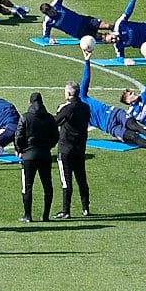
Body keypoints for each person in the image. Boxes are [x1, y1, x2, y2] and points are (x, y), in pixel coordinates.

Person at [15, 91, 58, 223]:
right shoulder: (50, 118)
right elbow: (55, 137)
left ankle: (28, 215)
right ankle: (45, 215)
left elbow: (18, 137)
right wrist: (47, 147)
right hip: (45, 155)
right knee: (47, 186)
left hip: (28, 156)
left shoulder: (25, 117)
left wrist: (20, 150)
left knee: (27, 186)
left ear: (30, 103)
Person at [53, 81, 92, 219]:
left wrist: (60, 110)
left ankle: (66, 211)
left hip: (66, 148)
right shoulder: (86, 107)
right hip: (80, 148)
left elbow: (55, 121)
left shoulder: (68, 108)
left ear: (68, 93)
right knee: (82, 178)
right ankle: (85, 208)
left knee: (66, 181)